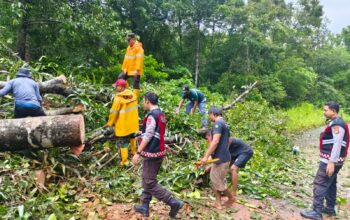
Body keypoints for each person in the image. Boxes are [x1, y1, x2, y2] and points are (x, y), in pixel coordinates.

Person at [132, 92, 183, 218]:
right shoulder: (161, 114)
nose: (143, 103)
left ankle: (173, 202)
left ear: (148, 101)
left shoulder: (151, 116)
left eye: (143, 100)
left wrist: (138, 152)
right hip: (158, 150)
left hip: (152, 152)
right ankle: (144, 206)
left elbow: (149, 135)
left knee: (149, 181)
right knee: (146, 178)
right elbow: (155, 131)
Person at [301, 101, 349, 220]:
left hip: (331, 160)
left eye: (326, 110)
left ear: (333, 111)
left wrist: (331, 162)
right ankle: (330, 208)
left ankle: (316, 212)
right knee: (331, 183)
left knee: (320, 183)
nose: (324, 112)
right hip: (336, 159)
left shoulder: (337, 124)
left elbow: (337, 144)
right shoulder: (336, 122)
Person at [201, 106, 234, 209]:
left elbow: (215, 141)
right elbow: (229, 140)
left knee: (217, 181)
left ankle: (231, 198)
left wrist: (206, 156)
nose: (209, 117)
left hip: (221, 159)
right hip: (222, 157)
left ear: (212, 113)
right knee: (215, 179)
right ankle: (218, 203)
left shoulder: (217, 124)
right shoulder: (225, 124)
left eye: (209, 114)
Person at [205, 130, 253, 202]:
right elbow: (212, 156)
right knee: (229, 169)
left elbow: (219, 156)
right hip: (234, 153)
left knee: (233, 169)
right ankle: (227, 187)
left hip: (245, 152)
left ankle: (234, 192)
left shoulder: (224, 139)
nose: (207, 140)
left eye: (207, 138)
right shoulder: (217, 142)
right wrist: (204, 162)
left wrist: (210, 165)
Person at [103, 79, 139, 166]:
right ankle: (134, 154)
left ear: (122, 87)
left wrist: (109, 123)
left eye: (117, 86)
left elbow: (114, 112)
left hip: (123, 125)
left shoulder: (118, 98)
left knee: (123, 143)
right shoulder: (133, 95)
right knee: (132, 137)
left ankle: (124, 161)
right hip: (133, 124)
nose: (115, 87)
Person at [118, 33, 144, 99]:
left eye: (129, 40)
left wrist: (137, 70)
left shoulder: (139, 48)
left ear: (133, 39)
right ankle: (126, 93)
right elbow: (126, 59)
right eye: (127, 40)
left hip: (135, 70)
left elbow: (139, 60)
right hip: (127, 69)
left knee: (135, 83)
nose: (128, 42)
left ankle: (135, 98)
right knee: (120, 77)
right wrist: (123, 69)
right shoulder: (128, 48)